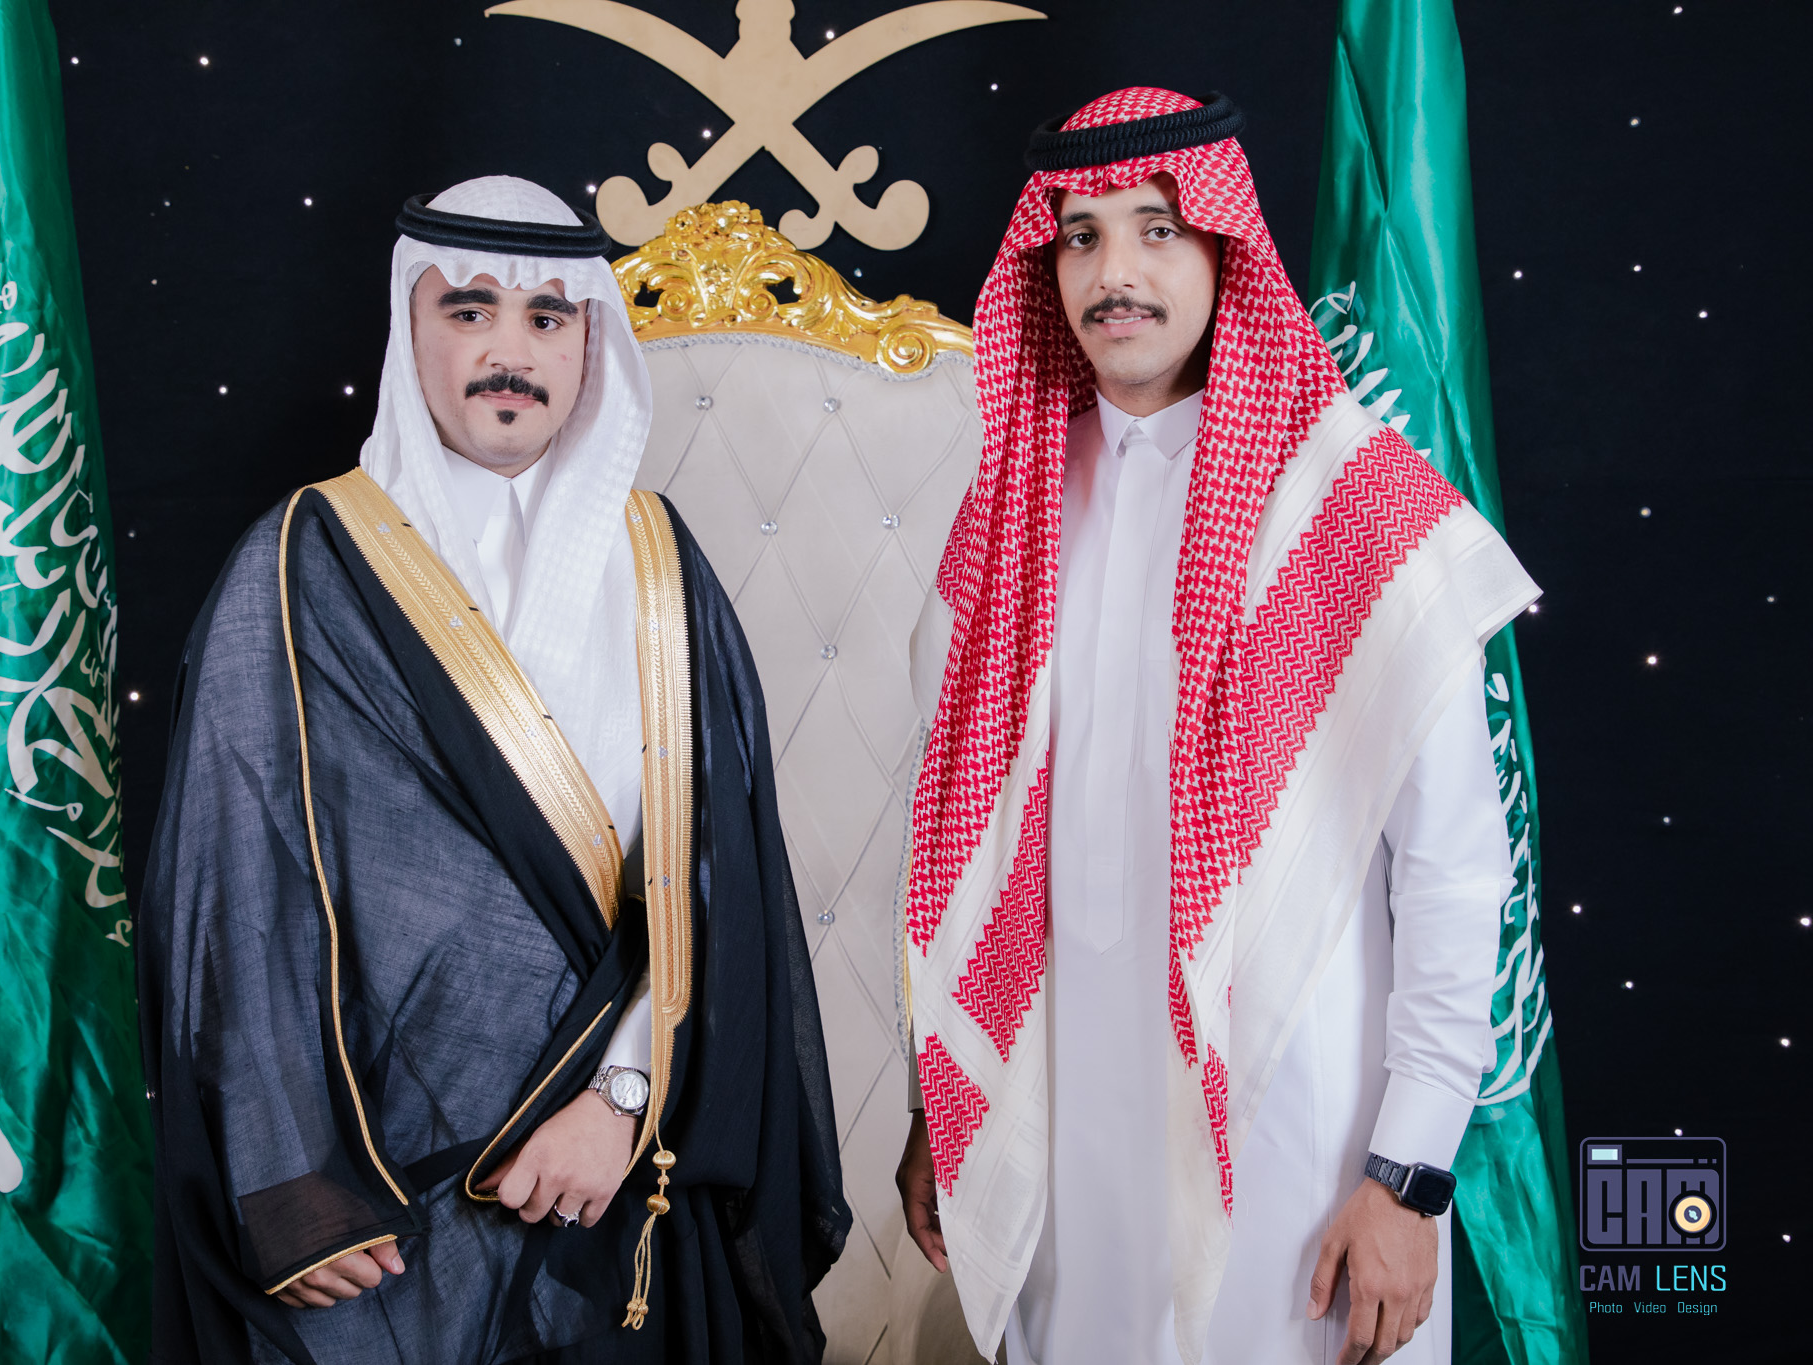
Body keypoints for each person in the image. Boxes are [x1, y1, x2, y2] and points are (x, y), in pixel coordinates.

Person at [140, 176, 848, 1365]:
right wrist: (292, 1188)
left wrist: (620, 1102)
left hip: (610, 1173)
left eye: (545, 318)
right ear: (408, 328)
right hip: (373, 1196)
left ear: (587, 345)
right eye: (467, 310)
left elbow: (718, 884)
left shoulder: (660, 565)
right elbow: (233, 899)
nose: (507, 353)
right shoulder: (301, 559)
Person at [893, 90, 1537, 1365]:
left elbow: (1458, 872)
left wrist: (1408, 1174)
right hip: (1063, 1138)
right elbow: (957, 843)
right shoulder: (1010, 513)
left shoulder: (1355, 506)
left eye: (1155, 230)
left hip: (1304, 1156)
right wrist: (942, 1105)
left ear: (1223, 250)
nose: (1112, 275)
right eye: (1079, 238)